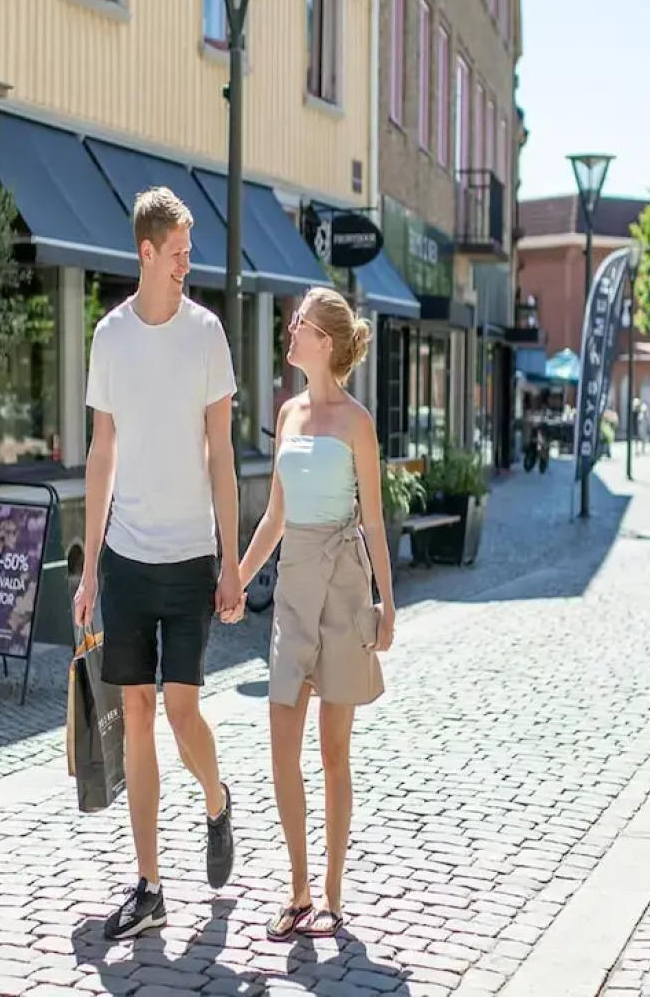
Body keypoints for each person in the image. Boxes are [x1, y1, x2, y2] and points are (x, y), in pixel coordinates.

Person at [74, 186, 243, 941]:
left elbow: (222, 455)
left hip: (191, 554)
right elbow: (101, 453)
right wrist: (88, 571)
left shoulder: (207, 334)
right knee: (137, 710)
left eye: (188, 252)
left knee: (180, 710)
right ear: (146, 253)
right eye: (177, 253)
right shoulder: (109, 338)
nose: (186, 264)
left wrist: (232, 561)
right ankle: (149, 885)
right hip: (127, 558)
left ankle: (216, 799)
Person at [232, 287, 395, 942]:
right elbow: (275, 516)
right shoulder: (288, 414)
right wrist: (236, 580)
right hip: (295, 587)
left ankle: (330, 894)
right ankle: (297, 889)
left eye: (298, 323)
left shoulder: (357, 422)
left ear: (324, 341)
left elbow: (374, 521)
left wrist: (387, 603)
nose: (289, 330)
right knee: (282, 750)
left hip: (346, 588)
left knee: (333, 751)